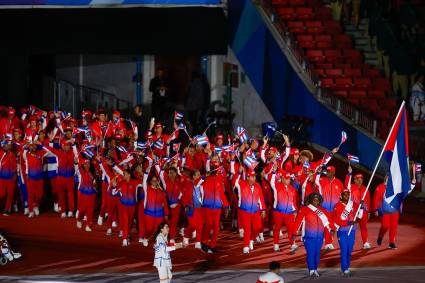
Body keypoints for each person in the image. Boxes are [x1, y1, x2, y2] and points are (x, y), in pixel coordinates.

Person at [294, 192, 335, 278]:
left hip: (319, 237)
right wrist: (294, 232)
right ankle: (311, 270)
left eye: (317, 200)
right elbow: (298, 222)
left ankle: (315, 269)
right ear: (311, 201)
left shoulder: (323, 211)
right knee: (310, 253)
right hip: (308, 237)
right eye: (314, 200)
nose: (316, 202)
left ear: (320, 201)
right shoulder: (305, 209)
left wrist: (331, 229)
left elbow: (329, 221)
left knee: (317, 255)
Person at [372, 174, 416, 249]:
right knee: (385, 226)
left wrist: (412, 184)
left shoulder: (396, 188)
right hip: (385, 210)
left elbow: (406, 191)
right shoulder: (380, 187)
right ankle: (381, 235)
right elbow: (376, 199)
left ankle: (391, 242)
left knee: (394, 227)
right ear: (385, 178)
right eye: (389, 178)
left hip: (395, 210)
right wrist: (375, 209)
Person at [232, 168, 266, 254]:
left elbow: (260, 198)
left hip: (255, 211)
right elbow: (234, 181)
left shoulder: (258, 185)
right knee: (247, 229)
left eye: (254, 177)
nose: (253, 178)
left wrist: (263, 209)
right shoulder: (241, 184)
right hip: (245, 211)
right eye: (252, 177)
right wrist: (239, 172)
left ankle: (251, 239)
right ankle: (246, 246)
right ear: (247, 177)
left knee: (257, 228)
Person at [333, 189, 364, 277]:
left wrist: (361, 207)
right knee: (344, 250)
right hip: (342, 231)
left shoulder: (353, 204)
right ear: (341, 195)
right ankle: (345, 269)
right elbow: (337, 220)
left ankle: (347, 267)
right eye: (345, 194)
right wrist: (348, 223)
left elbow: (360, 216)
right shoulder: (337, 206)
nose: (347, 196)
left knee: (349, 251)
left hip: (352, 231)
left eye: (348, 194)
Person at [345, 166, 371, 249]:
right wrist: (349, 173)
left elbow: (368, 200)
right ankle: (348, 243)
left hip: (363, 212)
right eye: (358, 179)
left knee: (364, 227)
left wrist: (369, 211)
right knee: (351, 228)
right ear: (354, 180)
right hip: (353, 211)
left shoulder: (365, 189)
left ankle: (365, 242)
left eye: (361, 179)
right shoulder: (351, 187)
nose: (360, 181)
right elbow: (346, 183)